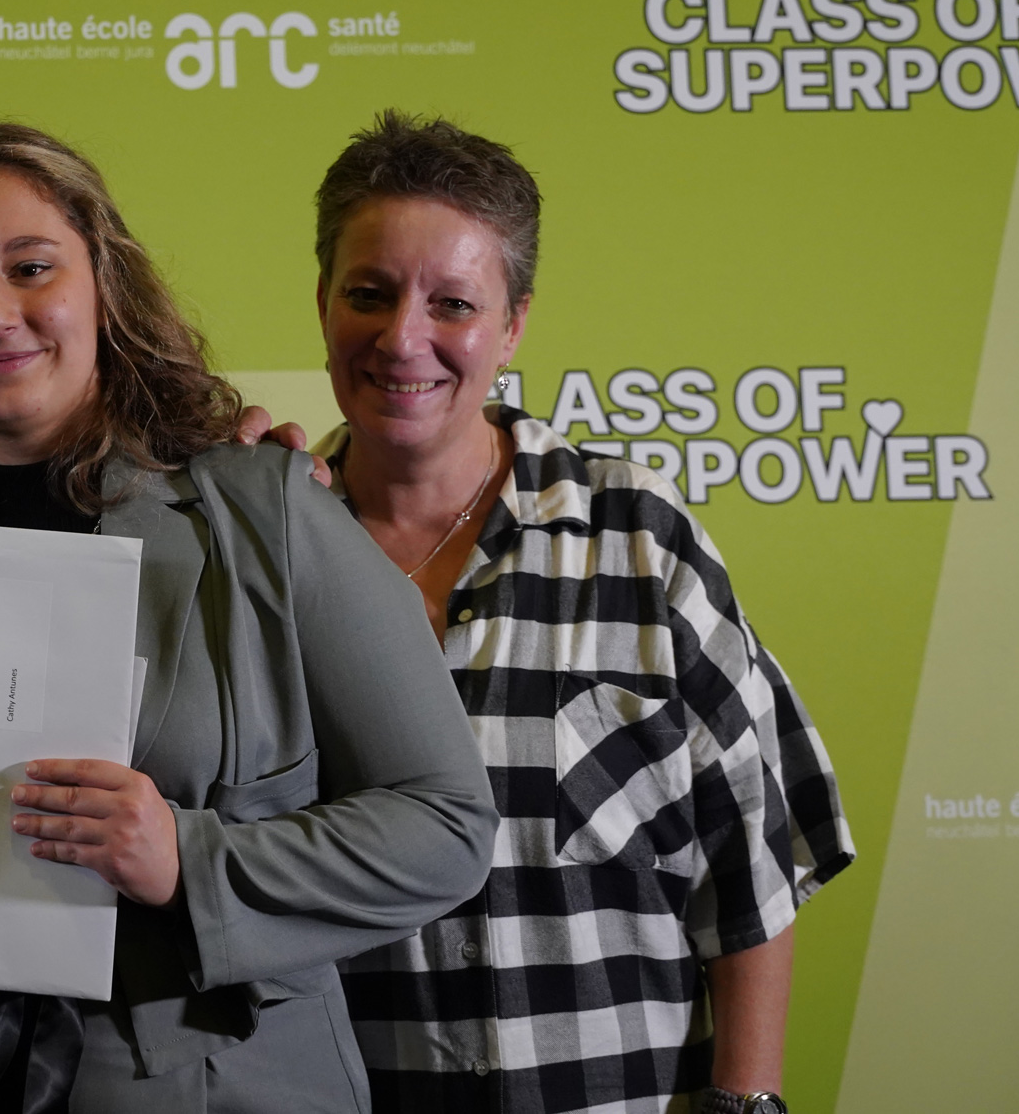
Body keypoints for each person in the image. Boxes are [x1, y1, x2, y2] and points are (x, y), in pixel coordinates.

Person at [0, 123, 500, 1113]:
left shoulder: (263, 506)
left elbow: (445, 825)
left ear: (103, 285)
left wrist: (188, 859)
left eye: (30, 267)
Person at [312, 112, 856, 1114]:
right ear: (321, 301)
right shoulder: (266, 550)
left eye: (452, 303)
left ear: (513, 323)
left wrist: (745, 1103)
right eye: (369, 294)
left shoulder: (636, 534)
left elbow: (752, 861)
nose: (402, 338)